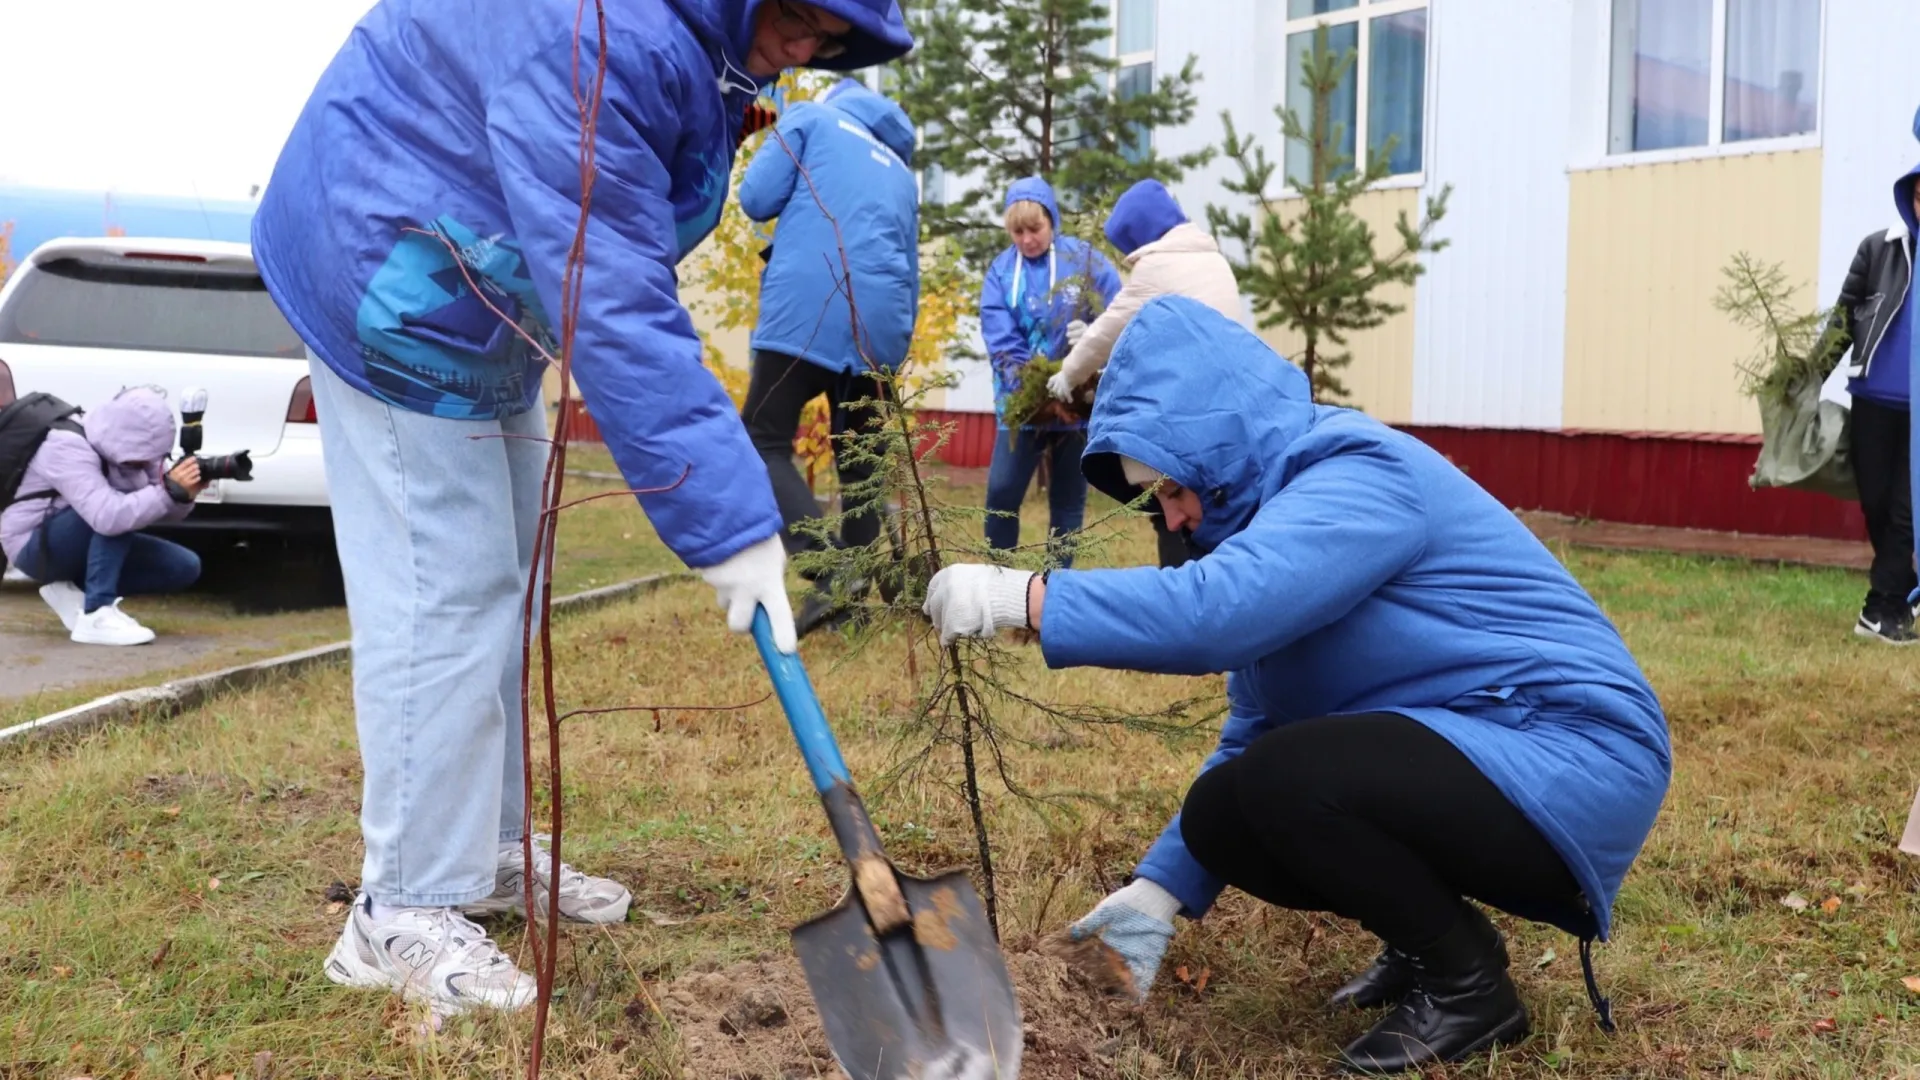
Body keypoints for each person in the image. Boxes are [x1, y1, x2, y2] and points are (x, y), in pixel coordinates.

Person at [250, 0, 911, 1016]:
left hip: (476, 278)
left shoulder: (690, 42)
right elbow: (611, 290)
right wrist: (730, 522)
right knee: (448, 587)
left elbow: (621, 239)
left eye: (830, 39)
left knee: (506, 583)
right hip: (388, 261)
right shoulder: (609, 35)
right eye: (795, 15)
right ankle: (398, 913)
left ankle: (482, 852)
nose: (802, 49)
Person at [922, 297, 1672, 1074]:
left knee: (1287, 780)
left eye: (1175, 488)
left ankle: (1469, 985)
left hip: (1573, 750)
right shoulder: (1269, 524)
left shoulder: (1355, 471)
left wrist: (1029, 598)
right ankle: (1426, 945)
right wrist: (1155, 895)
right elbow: (1257, 728)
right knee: (1227, 808)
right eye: (1159, 500)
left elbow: (1218, 612)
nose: (1174, 518)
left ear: (1214, 439)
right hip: (1475, 747)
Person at [736, 77, 919, 639]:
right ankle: (853, 609)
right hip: (882, 325)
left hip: (808, 304)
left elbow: (755, 198)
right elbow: (909, 265)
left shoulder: (811, 118)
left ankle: (833, 570)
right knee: (860, 461)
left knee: (761, 439)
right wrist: (893, 349)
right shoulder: (901, 172)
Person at [1044, 178, 1243, 570]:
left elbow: (1113, 326)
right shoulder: (1209, 258)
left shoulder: (1159, 265)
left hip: (1187, 408)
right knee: (1211, 505)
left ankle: (1180, 592)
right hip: (1227, 403)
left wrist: (1069, 373)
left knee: (1167, 501)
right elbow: (1155, 333)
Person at [978, 176, 1121, 567]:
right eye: (1017, 231)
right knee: (1003, 492)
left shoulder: (1084, 260)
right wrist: (1036, 383)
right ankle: (997, 584)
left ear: (1052, 220)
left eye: (1035, 228)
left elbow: (1118, 308)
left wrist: (1094, 337)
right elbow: (1001, 339)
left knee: (1068, 502)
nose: (1027, 239)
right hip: (1022, 405)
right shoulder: (1001, 273)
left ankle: (1055, 590)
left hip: (1075, 403)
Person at [0, 387, 204, 646]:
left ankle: (72, 591)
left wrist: (182, 494)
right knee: (115, 512)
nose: (145, 465)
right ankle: (97, 614)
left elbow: (166, 510)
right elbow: (107, 517)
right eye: (140, 461)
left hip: (79, 538)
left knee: (184, 566)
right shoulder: (64, 444)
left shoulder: (140, 452)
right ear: (122, 438)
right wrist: (166, 493)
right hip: (32, 546)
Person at [1829, 154, 1920, 644]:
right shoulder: (1878, 249)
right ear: (1909, 198)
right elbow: (1844, 318)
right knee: (1878, 505)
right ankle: (1902, 595)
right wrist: (1807, 376)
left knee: (1908, 510)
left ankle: (1878, 610)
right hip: (1871, 401)